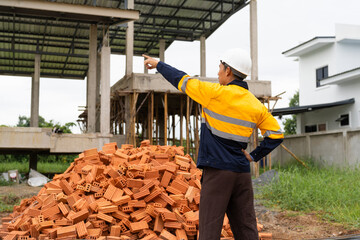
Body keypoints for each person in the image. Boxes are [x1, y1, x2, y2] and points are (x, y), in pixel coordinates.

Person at [143, 48, 283, 240]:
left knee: (209, 230)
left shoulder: (213, 93)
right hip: (241, 173)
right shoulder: (255, 104)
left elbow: (182, 80)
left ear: (228, 71)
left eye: (220, 67)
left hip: (217, 172)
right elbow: (277, 134)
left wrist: (158, 64)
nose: (217, 72)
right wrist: (253, 156)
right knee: (247, 230)